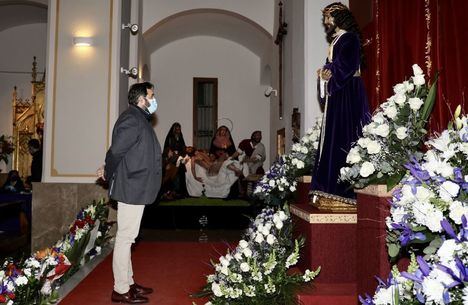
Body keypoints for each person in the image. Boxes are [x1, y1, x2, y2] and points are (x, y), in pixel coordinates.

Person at [97, 82, 161, 304]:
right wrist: (107, 170)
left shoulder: (138, 119)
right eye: (151, 96)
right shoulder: (131, 119)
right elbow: (116, 151)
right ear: (141, 99)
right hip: (131, 187)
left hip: (137, 187)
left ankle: (129, 283)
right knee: (125, 239)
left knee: (129, 238)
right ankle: (120, 289)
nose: (154, 100)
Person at [311, 2, 370, 199]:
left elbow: (348, 64)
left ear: (340, 18)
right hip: (339, 93)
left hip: (348, 92)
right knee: (333, 137)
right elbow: (332, 67)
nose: (326, 21)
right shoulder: (337, 40)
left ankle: (344, 189)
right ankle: (330, 187)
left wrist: (330, 73)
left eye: (329, 17)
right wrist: (324, 75)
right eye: (325, 18)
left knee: (345, 135)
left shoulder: (349, 38)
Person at [161, 122, 187, 199]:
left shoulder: (181, 137)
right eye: (176, 129)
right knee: (172, 172)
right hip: (171, 159)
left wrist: (181, 153)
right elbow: (166, 149)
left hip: (179, 158)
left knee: (181, 170)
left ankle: (180, 192)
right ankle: (170, 192)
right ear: (173, 129)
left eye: (179, 129)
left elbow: (183, 148)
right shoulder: (169, 138)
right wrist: (172, 152)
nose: (178, 131)